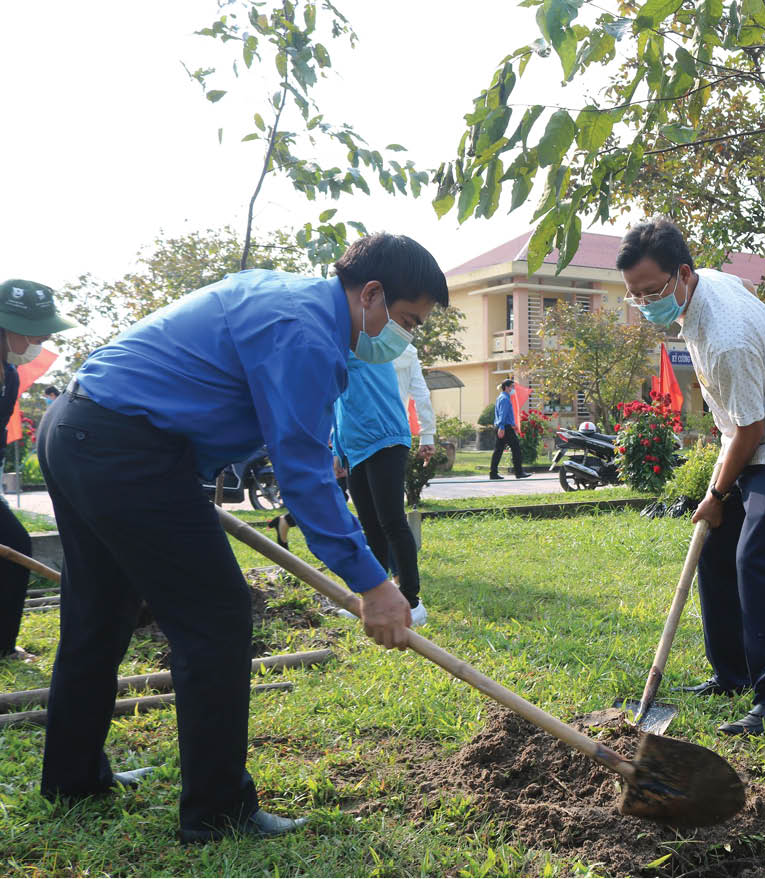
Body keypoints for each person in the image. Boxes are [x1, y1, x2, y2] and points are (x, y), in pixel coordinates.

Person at [37, 232, 446, 843]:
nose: (403, 337)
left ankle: (71, 778)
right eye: (407, 320)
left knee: (101, 612)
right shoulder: (305, 330)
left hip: (79, 429)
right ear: (372, 293)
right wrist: (373, 585)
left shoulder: (291, 302)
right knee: (218, 617)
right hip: (125, 447)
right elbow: (304, 476)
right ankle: (218, 811)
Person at [618, 218, 765, 737]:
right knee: (715, 547)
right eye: (634, 295)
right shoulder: (699, 288)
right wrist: (718, 498)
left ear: (682, 275)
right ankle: (731, 674)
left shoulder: (726, 337)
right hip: (747, 433)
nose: (644, 303)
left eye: (652, 291)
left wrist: (715, 493)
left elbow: (752, 431)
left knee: (756, 559)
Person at [0, 281, 76, 663]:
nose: (44, 337)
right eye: (35, 330)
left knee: (14, 546)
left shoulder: (10, 376)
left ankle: (3, 646)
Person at [332, 342, 430, 627]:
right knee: (371, 527)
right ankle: (374, 598)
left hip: (385, 440)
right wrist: (338, 449)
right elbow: (341, 402)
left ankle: (412, 602)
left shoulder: (369, 344)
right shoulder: (342, 345)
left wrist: (429, 434)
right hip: (357, 447)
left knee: (392, 522)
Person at [488, 378, 528, 480]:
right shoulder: (505, 399)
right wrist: (501, 428)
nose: (513, 389)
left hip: (503, 427)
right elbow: (502, 414)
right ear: (506, 387)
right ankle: (519, 473)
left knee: (498, 451)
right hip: (504, 428)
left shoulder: (501, 397)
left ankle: (493, 473)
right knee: (516, 449)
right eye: (512, 387)